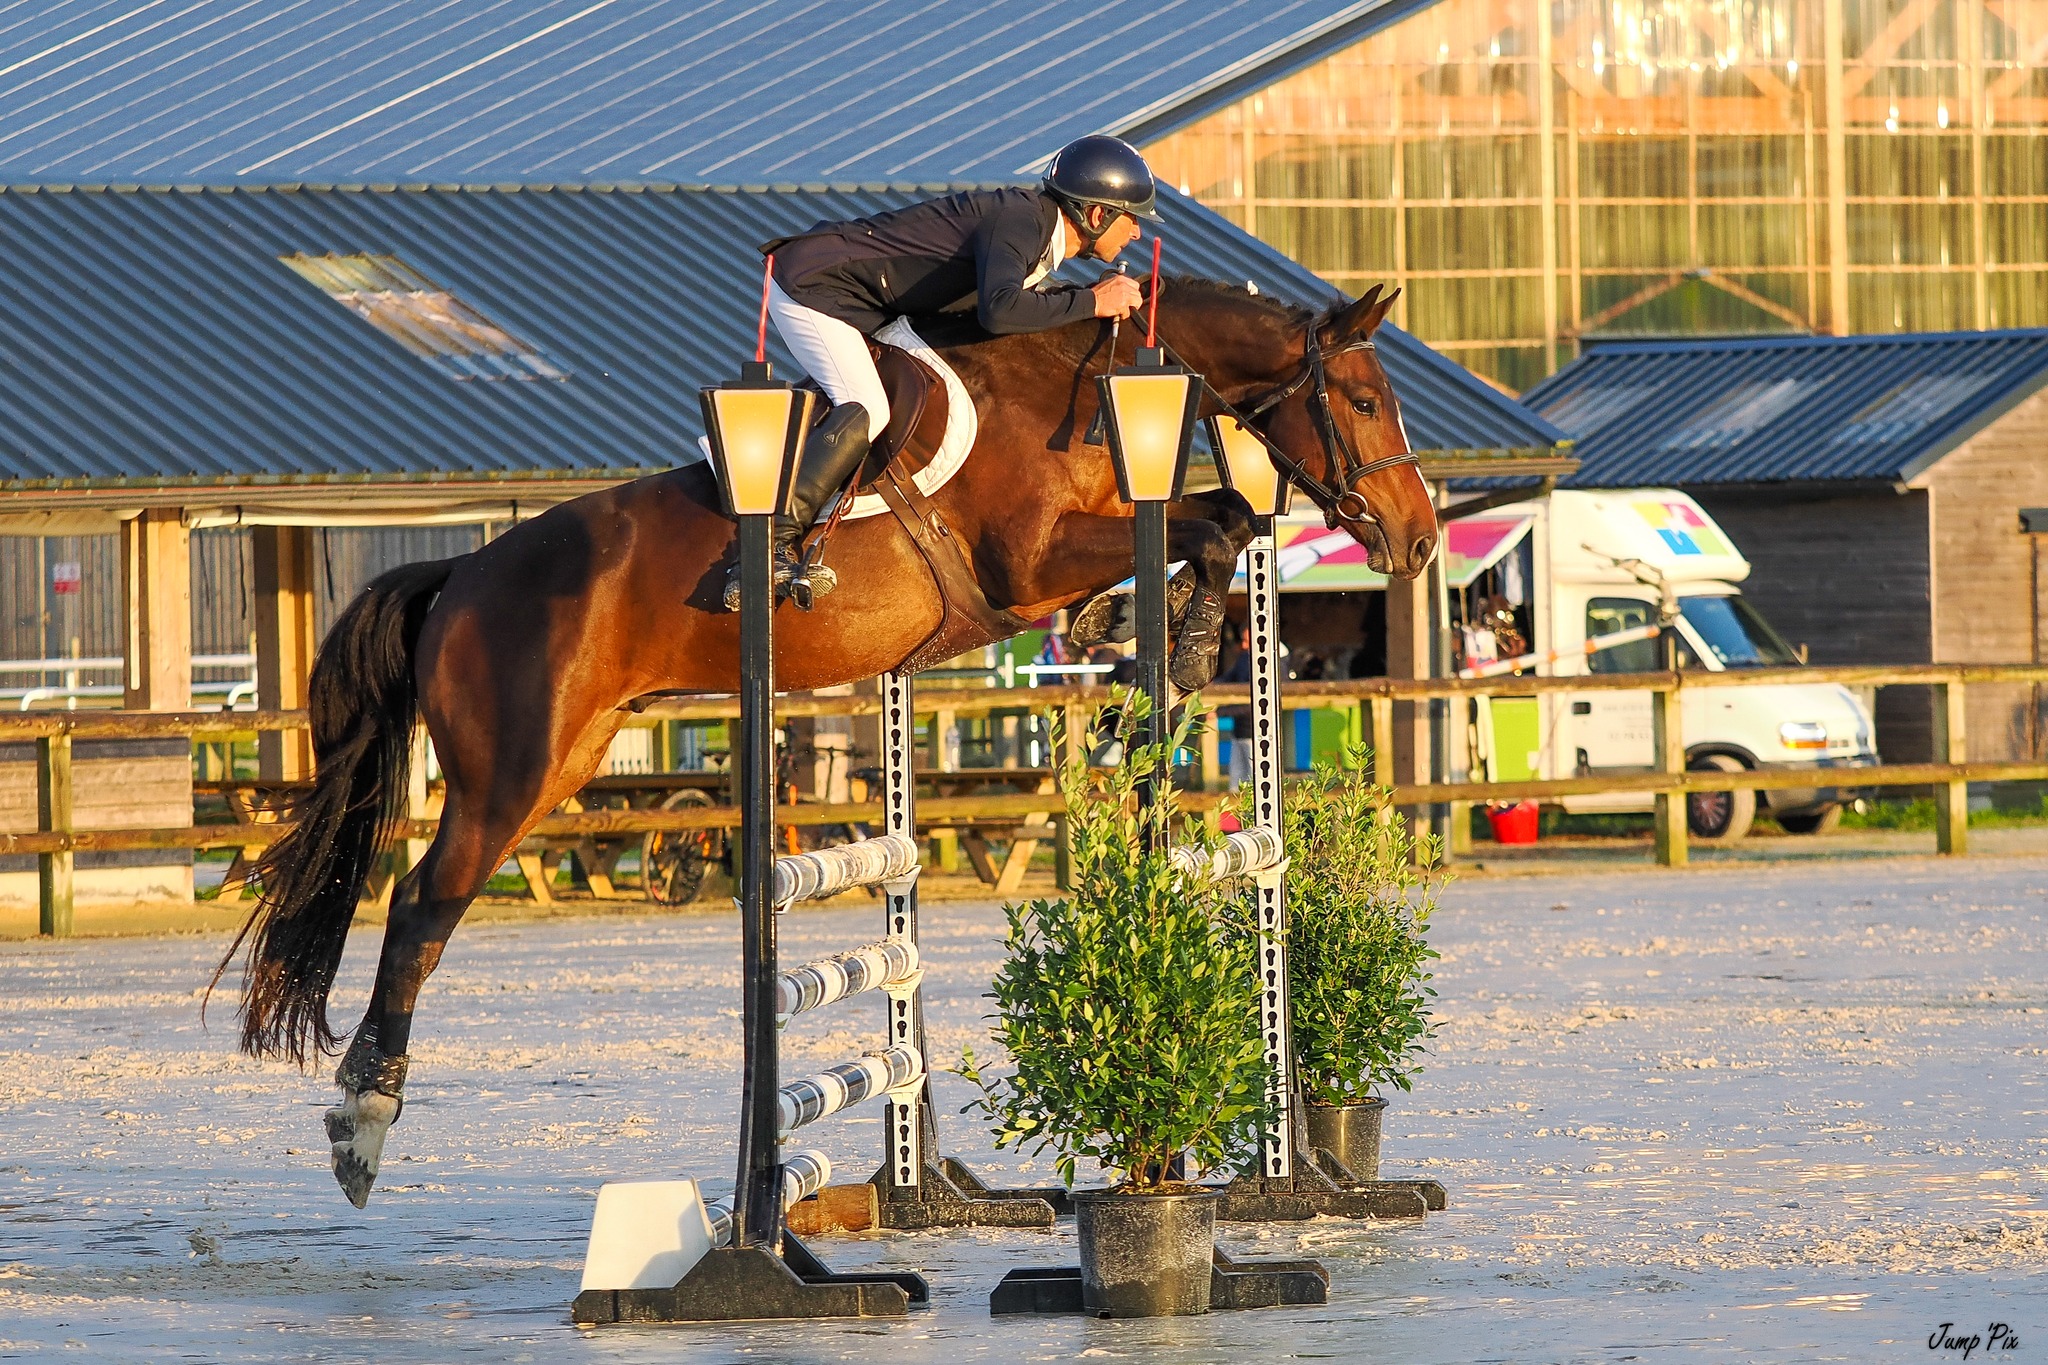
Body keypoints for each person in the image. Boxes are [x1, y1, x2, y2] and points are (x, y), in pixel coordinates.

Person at [724, 134, 1159, 610]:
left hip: (867, 303)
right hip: (815, 289)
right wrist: (1094, 301)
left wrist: (1089, 297)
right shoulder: (1023, 219)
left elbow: (1013, 309)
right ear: (1097, 215)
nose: (1136, 233)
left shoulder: (1033, 231)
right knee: (867, 405)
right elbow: (999, 311)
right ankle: (765, 548)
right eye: (1132, 219)